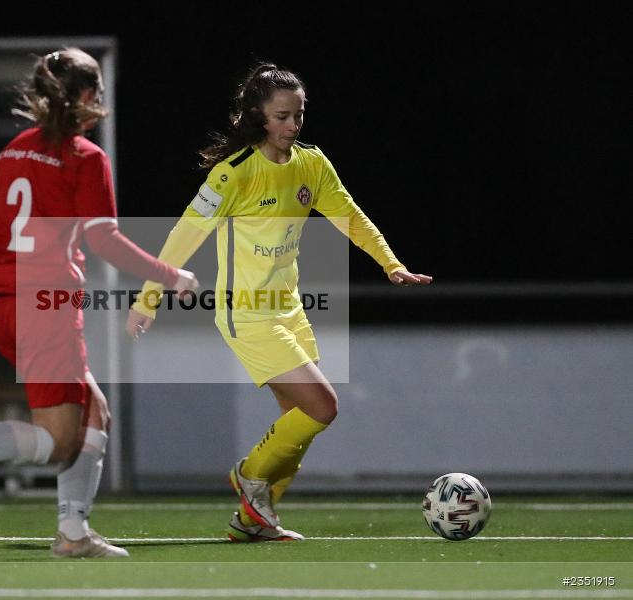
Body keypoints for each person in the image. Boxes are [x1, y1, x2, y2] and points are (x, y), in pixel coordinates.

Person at [0, 48, 198, 559]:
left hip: (3, 305)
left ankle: (73, 535)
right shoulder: (86, 158)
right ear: (86, 97)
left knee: (95, 412)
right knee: (60, 438)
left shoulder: (14, 149)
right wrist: (169, 274)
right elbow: (103, 239)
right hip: (47, 307)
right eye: (97, 93)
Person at [126, 63, 432, 542]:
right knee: (322, 407)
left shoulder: (312, 163)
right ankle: (248, 474)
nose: (294, 125)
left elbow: (350, 217)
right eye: (283, 117)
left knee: (299, 423)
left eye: (299, 115)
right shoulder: (234, 175)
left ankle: (252, 522)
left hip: (289, 308)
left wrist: (390, 264)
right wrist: (148, 298)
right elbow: (182, 237)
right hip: (245, 312)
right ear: (257, 117)